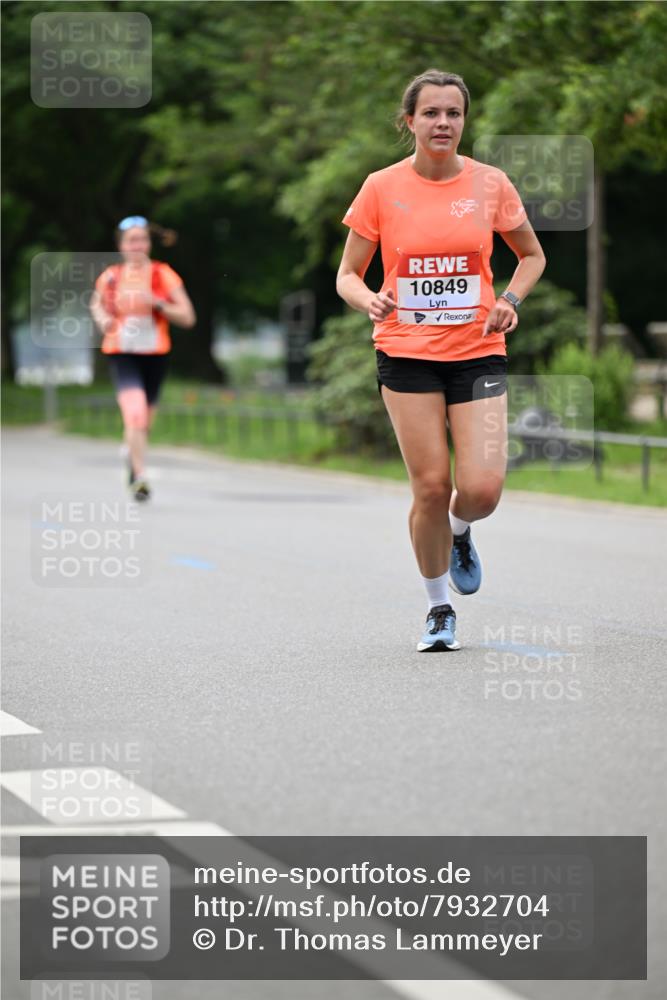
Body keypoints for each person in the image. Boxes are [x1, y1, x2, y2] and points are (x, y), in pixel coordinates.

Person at [336, 69, 546, 651]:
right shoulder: (380, 187)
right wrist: (369, 299)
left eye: (453, 113)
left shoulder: (490, 184)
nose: (443, 123)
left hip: (478, 350)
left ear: (464, 122)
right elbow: (347, 274)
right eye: (431, 113)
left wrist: (509, 300)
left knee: (481, 489)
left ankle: (461, 532)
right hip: (405, 350)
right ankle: (438, 608)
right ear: (410, 122)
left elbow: (530, 255)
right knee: (430, 486)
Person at [90, 217, 196, 501]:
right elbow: (96, 305)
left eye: (142, 239)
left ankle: (131, 451)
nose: (137, 245)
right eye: (131, 240)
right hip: (121, 353)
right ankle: (139, 476)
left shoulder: (163, 275)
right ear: (121, 245)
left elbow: (188, 316)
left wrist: (157, 302)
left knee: (143, 422)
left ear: (149, 243)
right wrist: (104, 320)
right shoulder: (111, 276)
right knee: (134, 413)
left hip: (155, 355)